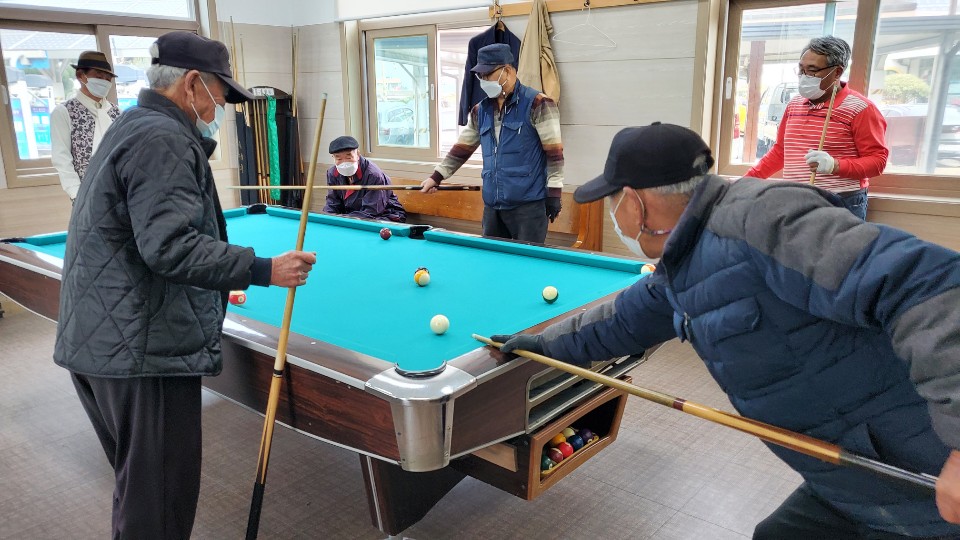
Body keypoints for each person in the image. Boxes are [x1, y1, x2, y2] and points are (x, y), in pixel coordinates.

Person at [494, 122, 960, 539]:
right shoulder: (687, 257)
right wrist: (543, 345)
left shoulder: (765, 217)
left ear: (634, 202)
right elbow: (625, 320)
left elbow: (932, 287)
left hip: (922, 482)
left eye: (614, 201)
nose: (616, 213)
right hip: (851, 477)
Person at [53, 31, 317, 539]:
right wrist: (265, 269)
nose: (221, 108)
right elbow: (170, 246)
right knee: (158, 510)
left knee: (142, 497)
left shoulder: (133, 123)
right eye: (220, 94)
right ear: (193, 84)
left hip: (108, 341)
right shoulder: (163, 137)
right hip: (143, 351)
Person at [421, 43, 564, 244]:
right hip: (493, 207)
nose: (484, 80)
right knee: (491, 259)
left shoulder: (538, 104)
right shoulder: (480, 110)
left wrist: (554, 193)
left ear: (508, 70)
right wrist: (436, 177)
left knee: (525, 262)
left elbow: (554, 154)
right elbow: (462, 148)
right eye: (480, 76)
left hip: (528, 207)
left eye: (488, 74)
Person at [745, 36, 888, 220]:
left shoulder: (861, 108)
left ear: (837, 72)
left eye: (812, 70)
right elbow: (781, 152)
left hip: (840, 201)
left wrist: (835, 165)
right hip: (796, 198)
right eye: (801, 69)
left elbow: (878, 161)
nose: (804, 76)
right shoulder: (794, 104)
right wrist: (746, 183)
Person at [50, 51, 121, 203]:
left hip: (120, 192)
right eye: (99, 77)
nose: (104, 82)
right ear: (81, 76)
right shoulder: (65, 112)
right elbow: (62, 158)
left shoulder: (116, 112)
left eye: (108, 79)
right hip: (86, 194)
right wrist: (77, 195)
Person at [323, 135, 406, 222]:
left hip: (384, 216)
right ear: (333, 158)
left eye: (348, 157)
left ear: (358, 154)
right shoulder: (332, 173)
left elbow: (372, 211)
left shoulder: (373, 175)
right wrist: (327, 218)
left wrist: (344, 220)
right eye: (339, 159)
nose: (344, 163)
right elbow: (332, 203)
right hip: (351, 216)